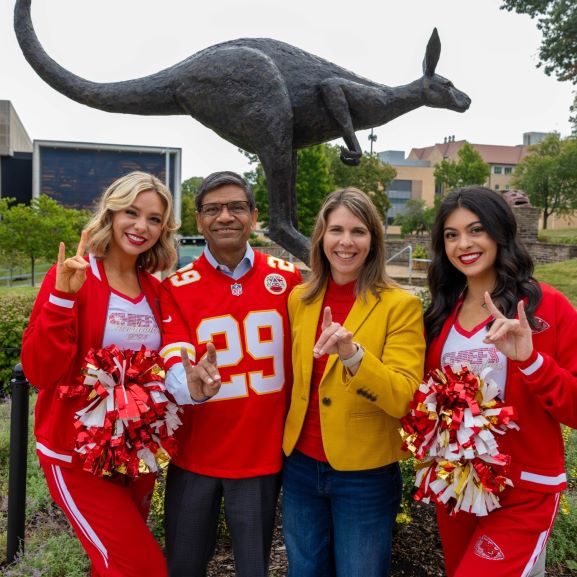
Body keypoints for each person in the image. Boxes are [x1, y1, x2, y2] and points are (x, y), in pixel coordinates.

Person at [21, 172, 180, 577]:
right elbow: (41, 372)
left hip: (136, 456)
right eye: (132, 212)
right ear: (111, 213)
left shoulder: (156, 290)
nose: (141, 226)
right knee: (140, 568)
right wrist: (60, 297)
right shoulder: (74, 276)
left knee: (112, 565)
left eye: (154, 219)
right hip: (75, 457)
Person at [424, 186, 577, 577]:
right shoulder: (441, 314)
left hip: (524, 490)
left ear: (499, 232)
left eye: (476, 230)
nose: (464, 244)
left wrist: (530, 361)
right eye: (451, 234)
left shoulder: (546, 307)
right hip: (457, 487)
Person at [159, 171, 302, 577]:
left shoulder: (289, 279)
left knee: (253, 568)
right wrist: (189, 382)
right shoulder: (176, 288)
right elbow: (173, 355)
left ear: (253, 216)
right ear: (199, 220)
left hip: (260, 454)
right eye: (213, 209)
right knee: (184, 565)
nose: (226, 216)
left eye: (237, 207)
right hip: (195, 452)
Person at [282, 187, 426, 577]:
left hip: (365, 474)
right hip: (299, 467)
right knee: (304, 571)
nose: (346, 242)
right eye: (336, 230)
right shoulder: (299, 299)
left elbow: (404, 397)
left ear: (374, 241)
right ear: (321, 238)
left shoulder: (401, 305)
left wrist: (354, 356)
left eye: (358, 231)